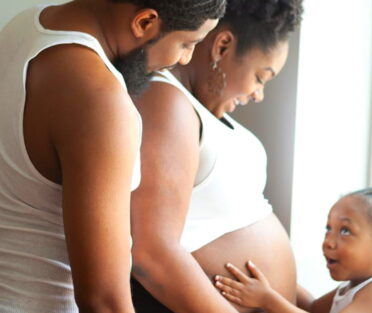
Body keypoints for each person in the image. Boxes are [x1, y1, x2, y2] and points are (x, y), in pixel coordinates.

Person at [0, 0, 226, 312]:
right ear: (144, 22)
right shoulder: (100, 99)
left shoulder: (26, 27)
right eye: (187, 43)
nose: (184, 59)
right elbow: (104, 301)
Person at [130, 0, 303, 312]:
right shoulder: (166, 103)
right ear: (222, 46)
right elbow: (151, 255)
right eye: (261, 77)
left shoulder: (200, 110)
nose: (258, 94)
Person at [214, 188, 372, 313]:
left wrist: (267, 298)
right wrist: (275, 275)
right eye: (329, 228)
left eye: (345, 231)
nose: (328, 241)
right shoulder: (351, 288)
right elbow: (312, 308)